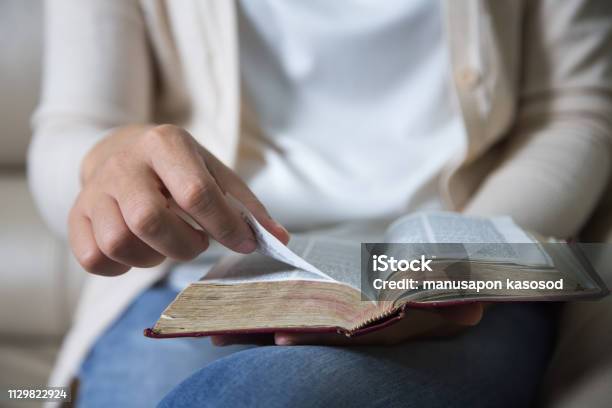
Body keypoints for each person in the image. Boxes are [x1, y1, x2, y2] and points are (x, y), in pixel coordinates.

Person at [28, 0, 612, 406]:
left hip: (460, 282)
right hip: (193, 286)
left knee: (267, 397)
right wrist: (108, 161)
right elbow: (75, 129)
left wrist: (447, 266)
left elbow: (572, 114)